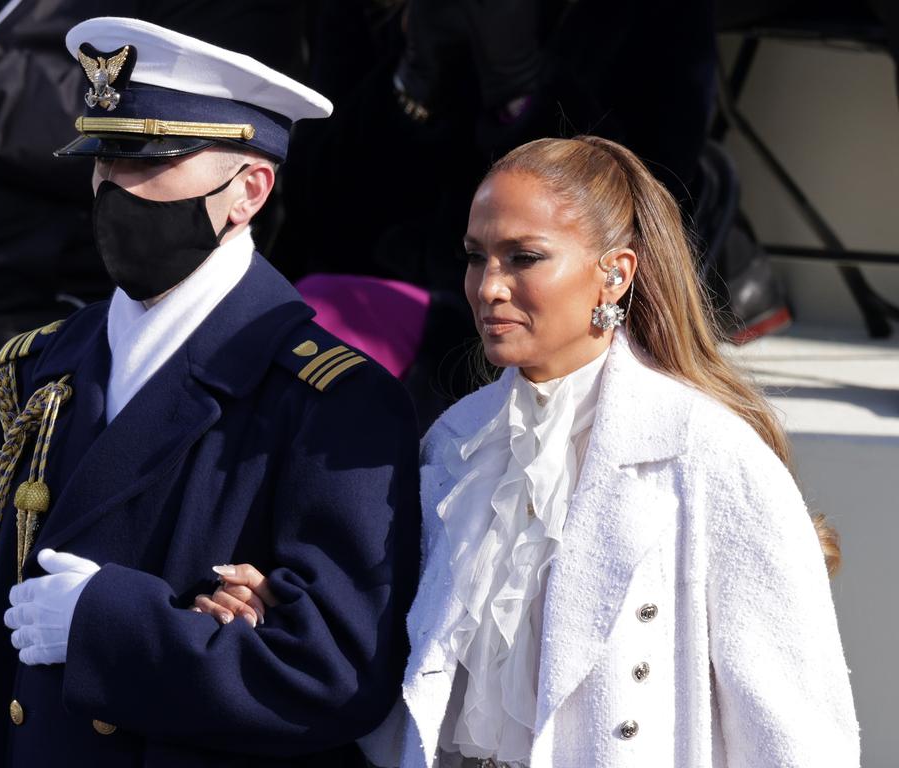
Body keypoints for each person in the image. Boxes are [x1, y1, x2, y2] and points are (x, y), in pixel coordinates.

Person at [0, 16, 420, 768]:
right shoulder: (38, 370)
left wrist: (109, 628)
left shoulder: (331, 404)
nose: (112, 188)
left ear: (249, 190)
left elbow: (337, 674)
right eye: (102, 159)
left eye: (148, 160)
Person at [354, 136, 859, 767]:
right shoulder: (455, 442)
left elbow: (797, 734)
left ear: (615, 274)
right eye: (476, 256)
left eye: (524, 258)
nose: (488, 287)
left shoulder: (708, 454)